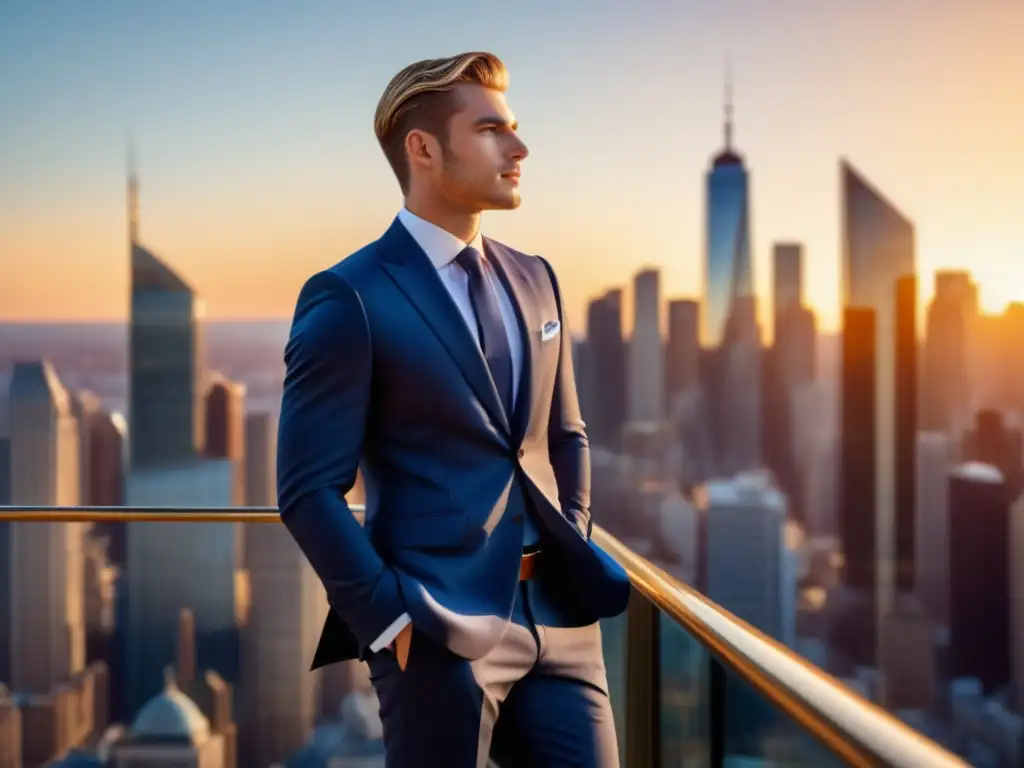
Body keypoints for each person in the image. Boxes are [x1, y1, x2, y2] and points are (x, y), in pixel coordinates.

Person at [277, 50, 631, 767]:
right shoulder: (350, 296)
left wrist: (571, 535)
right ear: (424, 149)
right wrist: (389, 618)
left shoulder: (537, 279)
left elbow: (565, 436)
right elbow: (307, 489)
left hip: (561, 621)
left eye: (515, 128)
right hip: (436, 632)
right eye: (492, 130)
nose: (519, 147)